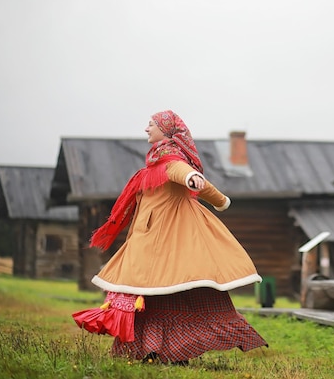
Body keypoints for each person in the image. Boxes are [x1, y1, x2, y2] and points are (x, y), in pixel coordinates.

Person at [72, 110, 267, 364]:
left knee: (168, 294)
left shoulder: (171, 160)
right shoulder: (154, 164)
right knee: (150, 298)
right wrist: (218, 199)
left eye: (151, 124)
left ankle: (173, 352)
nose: (146, 128)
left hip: (170, 242)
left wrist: (196, 180)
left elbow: (183, 172)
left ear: (165, 130)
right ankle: (151, 350)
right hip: (148, 242)